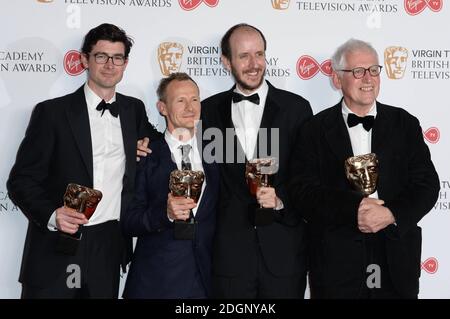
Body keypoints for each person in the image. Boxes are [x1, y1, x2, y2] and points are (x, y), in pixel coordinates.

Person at [7, 23, 160, 298]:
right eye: (101, 56)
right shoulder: (52, 113)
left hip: (109, 245)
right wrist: (53, 215)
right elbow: (21, 181)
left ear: (126, 63)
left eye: (117, 58)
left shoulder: (133, 110)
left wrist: (150, 141)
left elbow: (159, 145)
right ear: (84, 59)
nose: (109, 65)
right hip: (57, 246)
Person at [289, 38, 439, 299]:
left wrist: (392, 213)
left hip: (395, 261)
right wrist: (353, 210)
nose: (367, 78)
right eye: (357, 71)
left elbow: (427, 185)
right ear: (337, 80)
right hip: (336, 264)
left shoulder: (405, 123)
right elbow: (303, 192)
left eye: (373, 70)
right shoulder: (313, 129)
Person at [201, 23, 313, 298]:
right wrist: (142, 139)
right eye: (243, 56)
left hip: (284, 255)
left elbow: (309, 176)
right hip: (229, 258)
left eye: (259, 54)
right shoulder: (207, 112)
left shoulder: (296, 109)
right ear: (226, 62)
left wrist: (280, 200)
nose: (254, 64)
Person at [122, 72, 219, 299]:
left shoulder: (218, 154)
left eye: (195, 99)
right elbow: (128, 220)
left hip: (207, 282)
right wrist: (164, 214)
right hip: (157, 283)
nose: (190, 107)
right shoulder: (144, 156)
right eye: (180, 100)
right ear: (162, 108)